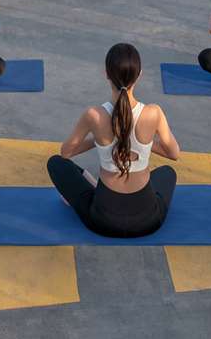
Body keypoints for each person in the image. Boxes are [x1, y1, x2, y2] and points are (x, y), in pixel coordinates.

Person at [47, 43, 180, 238]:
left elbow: (66, 153)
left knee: (56, 164)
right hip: (148, 222)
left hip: (102, 221)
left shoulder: (94, 115)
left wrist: (99, 141)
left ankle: (91, 189)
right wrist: (144, 146)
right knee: (168, 172)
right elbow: (174, 154)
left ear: (106, 74)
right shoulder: (154, 113)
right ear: (139, 74)